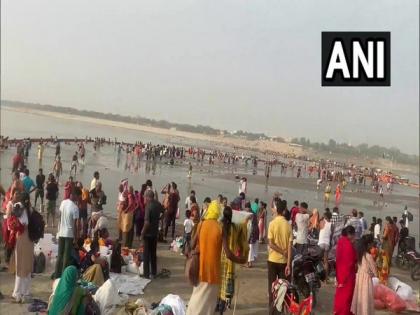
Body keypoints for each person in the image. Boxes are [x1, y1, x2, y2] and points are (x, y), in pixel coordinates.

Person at [186, 201, 223, 315]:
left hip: (200, 268)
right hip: (213, 272)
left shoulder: (202, 224)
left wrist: (198, 248)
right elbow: (227, 251)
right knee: (209, 304)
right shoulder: (220, 228)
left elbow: (192, 244)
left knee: (197, 297)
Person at [216, 206, 249, 314]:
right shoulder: (235, 228)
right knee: (225, 293)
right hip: (230, 263)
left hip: (218, 262)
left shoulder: (219, 226)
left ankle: (217, 309)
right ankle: (222, 309)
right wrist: (242, 259)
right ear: (231, 216)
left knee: (217, 290)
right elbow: (243, 228)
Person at [267, 200, 292, 315]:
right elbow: (290, 247)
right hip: (283, 262)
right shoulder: (288, 225)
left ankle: (271, 310)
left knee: (272, 287)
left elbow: (271, 244)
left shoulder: (272, 223)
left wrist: (282, 252)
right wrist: (288, 264)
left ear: (277, 210)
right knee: (283, 289)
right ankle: (280, 310)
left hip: (272, 260)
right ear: (284, 210)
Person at [9, 192, 34, 303]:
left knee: (20, 265)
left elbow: (13, 219)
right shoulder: (30, 209)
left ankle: (17, 292)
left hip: (21, 238)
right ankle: (26, 291)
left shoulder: (18, 207)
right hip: (30, 239)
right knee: (27, 265)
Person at [54, 188, 81, 279]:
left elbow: (60, 217)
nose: (78, 199)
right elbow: (76, 225)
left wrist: (58, 229)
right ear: (76, 196)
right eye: (78, 197)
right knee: (66, 256)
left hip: (61, 232)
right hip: (69, 234)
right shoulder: (75, 208)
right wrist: (76, 237)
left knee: (59, 255)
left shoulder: (63, 202)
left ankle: (56, 275)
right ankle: (62, 276)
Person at [351, 234, 378, 315]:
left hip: (359, 279)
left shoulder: (360, 254)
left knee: (359, 298)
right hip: (366, 281)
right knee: (366, 299)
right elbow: (375, 272)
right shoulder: (368, 256)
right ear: (369, 244)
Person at [333, 226, 357, 315]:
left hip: (340, 274)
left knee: (340, 296)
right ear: (350, 234)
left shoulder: (341, 241)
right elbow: (351, 262)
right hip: (347, 277)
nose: (355, 237)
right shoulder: (349, 246)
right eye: (354, 235)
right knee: (347, 298)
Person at [140, 190, 164, 279]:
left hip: (148, 234)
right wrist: (159, 219)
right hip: (155, 232)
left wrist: (142, 233)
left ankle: (146, 274)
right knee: (153, 254)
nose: (144, 199)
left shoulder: (148, 207)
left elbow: (147, 222)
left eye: (144, 197)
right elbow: (164, 212)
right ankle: (153, 272)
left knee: (146, 254)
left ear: (148, 197)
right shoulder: (158, 204)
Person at [318, 211, 332, 278]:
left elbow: (318, 228)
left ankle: (318, 275)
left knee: (317, 260)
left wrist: (321, 218)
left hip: (321, 242)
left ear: (325, 217)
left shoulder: (322, 222)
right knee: (326, 261)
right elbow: (331, 234)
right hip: (327, 243)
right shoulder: (332, 224)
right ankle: (326, 278)